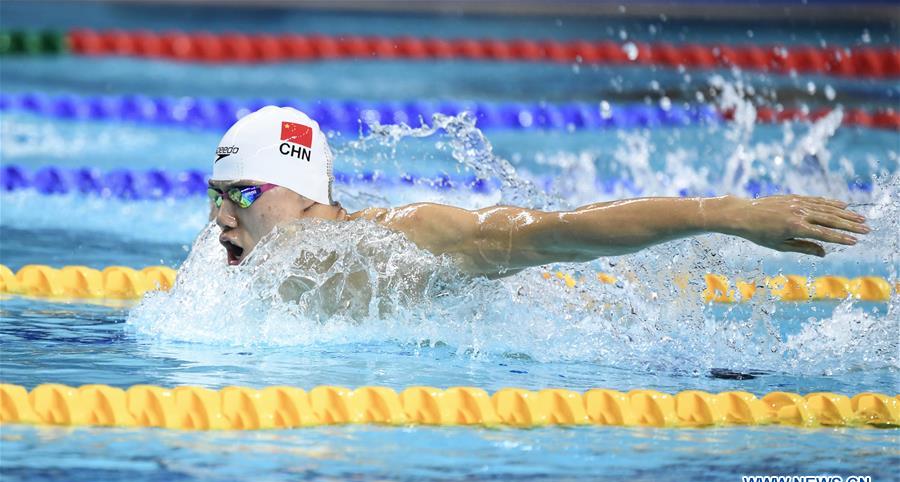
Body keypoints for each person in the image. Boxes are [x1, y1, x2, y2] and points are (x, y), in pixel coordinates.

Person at [208, 106, 869, 278]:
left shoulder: (400, 244)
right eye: (214, 194)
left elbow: (556, 231)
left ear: (296, 192)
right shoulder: (224, 269)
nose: (217, 217)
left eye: (237, 194)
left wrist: (730, 214)